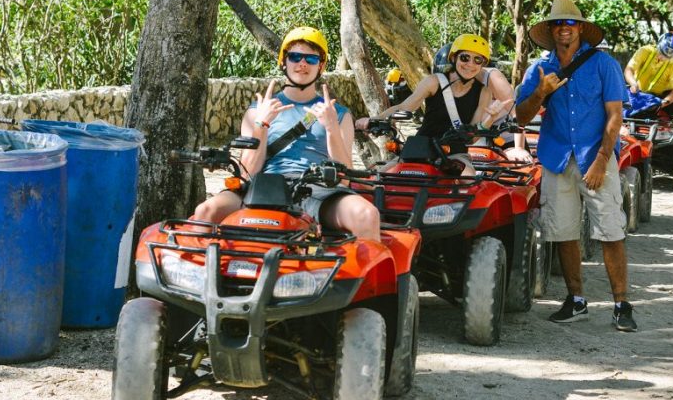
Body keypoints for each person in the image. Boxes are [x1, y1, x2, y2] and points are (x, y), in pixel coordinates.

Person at [515, 0, 636, 332]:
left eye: (568, 23)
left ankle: (621, 304)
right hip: (557, 158)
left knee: (610, 230)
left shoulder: (603, 64)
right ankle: (576, 300)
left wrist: (601, 160)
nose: (562, 29)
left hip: (594, 157)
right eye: (557, 24)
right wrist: (540, 92)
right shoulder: (540, 69)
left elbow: (615, 116)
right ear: (550, 30)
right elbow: (521, 117)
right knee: (563, 231)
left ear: (580, 28)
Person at [194, 26, 381, 241]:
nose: (302, 63)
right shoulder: (258, 110)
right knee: (205, 212)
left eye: (311, 59)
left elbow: (344, 179)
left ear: (320, 66)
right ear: (284, 61)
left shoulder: (338, 114)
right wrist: (261, 124)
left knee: (367, 216)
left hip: (318, 189)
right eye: (295, 57)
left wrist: (331, 128)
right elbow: (247, 173)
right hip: (264, 186)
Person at [354, 34, 516, 171]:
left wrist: (491, 118)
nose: (470, 64)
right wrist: (373, 121)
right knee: (381, 178)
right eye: (465, 57)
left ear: (483, 64)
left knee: (468, 182)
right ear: (454, 57)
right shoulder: (434, 82)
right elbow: (404, 107)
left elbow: (473, 137)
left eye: (477, 60)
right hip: (420, 147)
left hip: (455, 153)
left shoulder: (484, 92)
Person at [624, 32, 673, 118]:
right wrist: (633, 83)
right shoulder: (645, 51)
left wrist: (664, 102)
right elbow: (629, 70)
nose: (664, 58)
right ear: (659, 46)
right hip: (637, 92)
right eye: (662, 54)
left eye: (669, 56)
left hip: (658, 97)